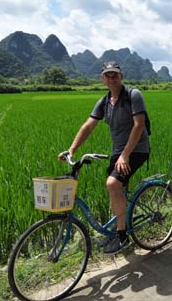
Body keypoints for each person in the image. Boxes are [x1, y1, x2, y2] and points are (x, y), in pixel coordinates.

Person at [58, 61, 150, 254]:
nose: (111, 78)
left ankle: (123, 237)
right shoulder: (104, 102)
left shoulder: (133, 95)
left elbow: (139, 125)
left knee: (112, 184)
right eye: (108, 75)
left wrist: (125, 155)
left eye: (115, 74)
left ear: (121, 75)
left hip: (137, 150)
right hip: (119, 152)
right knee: (116, 188)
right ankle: (119, 228)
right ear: (102, 78)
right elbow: (88, 125)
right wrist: (71, 150)